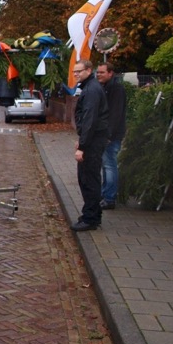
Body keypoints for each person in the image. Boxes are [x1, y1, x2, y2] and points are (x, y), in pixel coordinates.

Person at [71, 59, 109, 231]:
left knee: (88, 180)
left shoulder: (91, 90)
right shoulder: (89, 87)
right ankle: (91, 214)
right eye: (74, 72)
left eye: (79, 71)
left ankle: (91, 218)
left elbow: (89, 119)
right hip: (92, 140)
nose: (76, 74)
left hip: (93, 143)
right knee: (88, 178)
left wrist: (82, 146)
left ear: (88, 70)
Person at [96, 63, 127, 210]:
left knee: (109, 165)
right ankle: (105, 194)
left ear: (110, 73)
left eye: (102, 72)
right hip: (106, 134)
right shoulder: (106, 87)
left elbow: (115, 114)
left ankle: (109, 198)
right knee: (105, 165)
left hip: (112, 135)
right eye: (98, 72)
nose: (99, 75)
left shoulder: (116, 89)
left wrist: (108, 135)